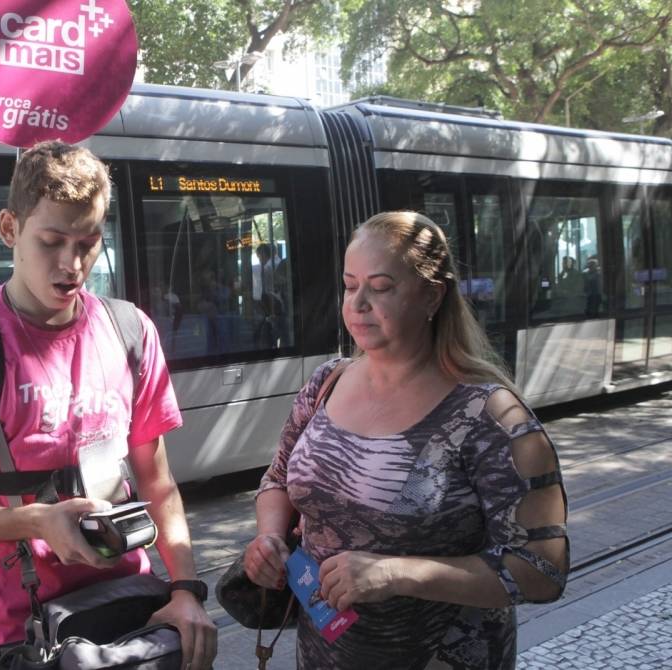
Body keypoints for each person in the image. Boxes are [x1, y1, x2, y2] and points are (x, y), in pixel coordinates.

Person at [0, 141, 216, 670]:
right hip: (11, 634)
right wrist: (37, 522)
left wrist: (185, 589)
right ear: (9, 229)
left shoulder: (130, 331)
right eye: (51, 242)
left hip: (125, 612)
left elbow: (157, 482)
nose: (72, 265)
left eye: (88, 243)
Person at [242, 211, 568, 669]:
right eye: (349, 285)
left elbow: (542, 570)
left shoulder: (491, 416)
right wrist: (270, 538)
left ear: (432, 295)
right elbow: (277, 480)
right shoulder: (326, 383)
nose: (358, 304)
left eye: (380, 287)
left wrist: (397, 574)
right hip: (323, 654)